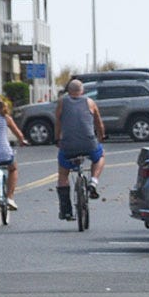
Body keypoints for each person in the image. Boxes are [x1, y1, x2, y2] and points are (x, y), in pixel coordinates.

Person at [52, 78, 107, 223]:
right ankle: (93, 182)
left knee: (63, 174)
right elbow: (98, 123)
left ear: (68, 91)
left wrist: (57, 139)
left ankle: (66, 210)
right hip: (89, 143)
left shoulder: (62, 102)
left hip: (68, 145)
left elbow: (58, 121)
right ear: (82, 91)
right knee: (100, 156)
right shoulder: (90, 102)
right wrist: (101, 136)